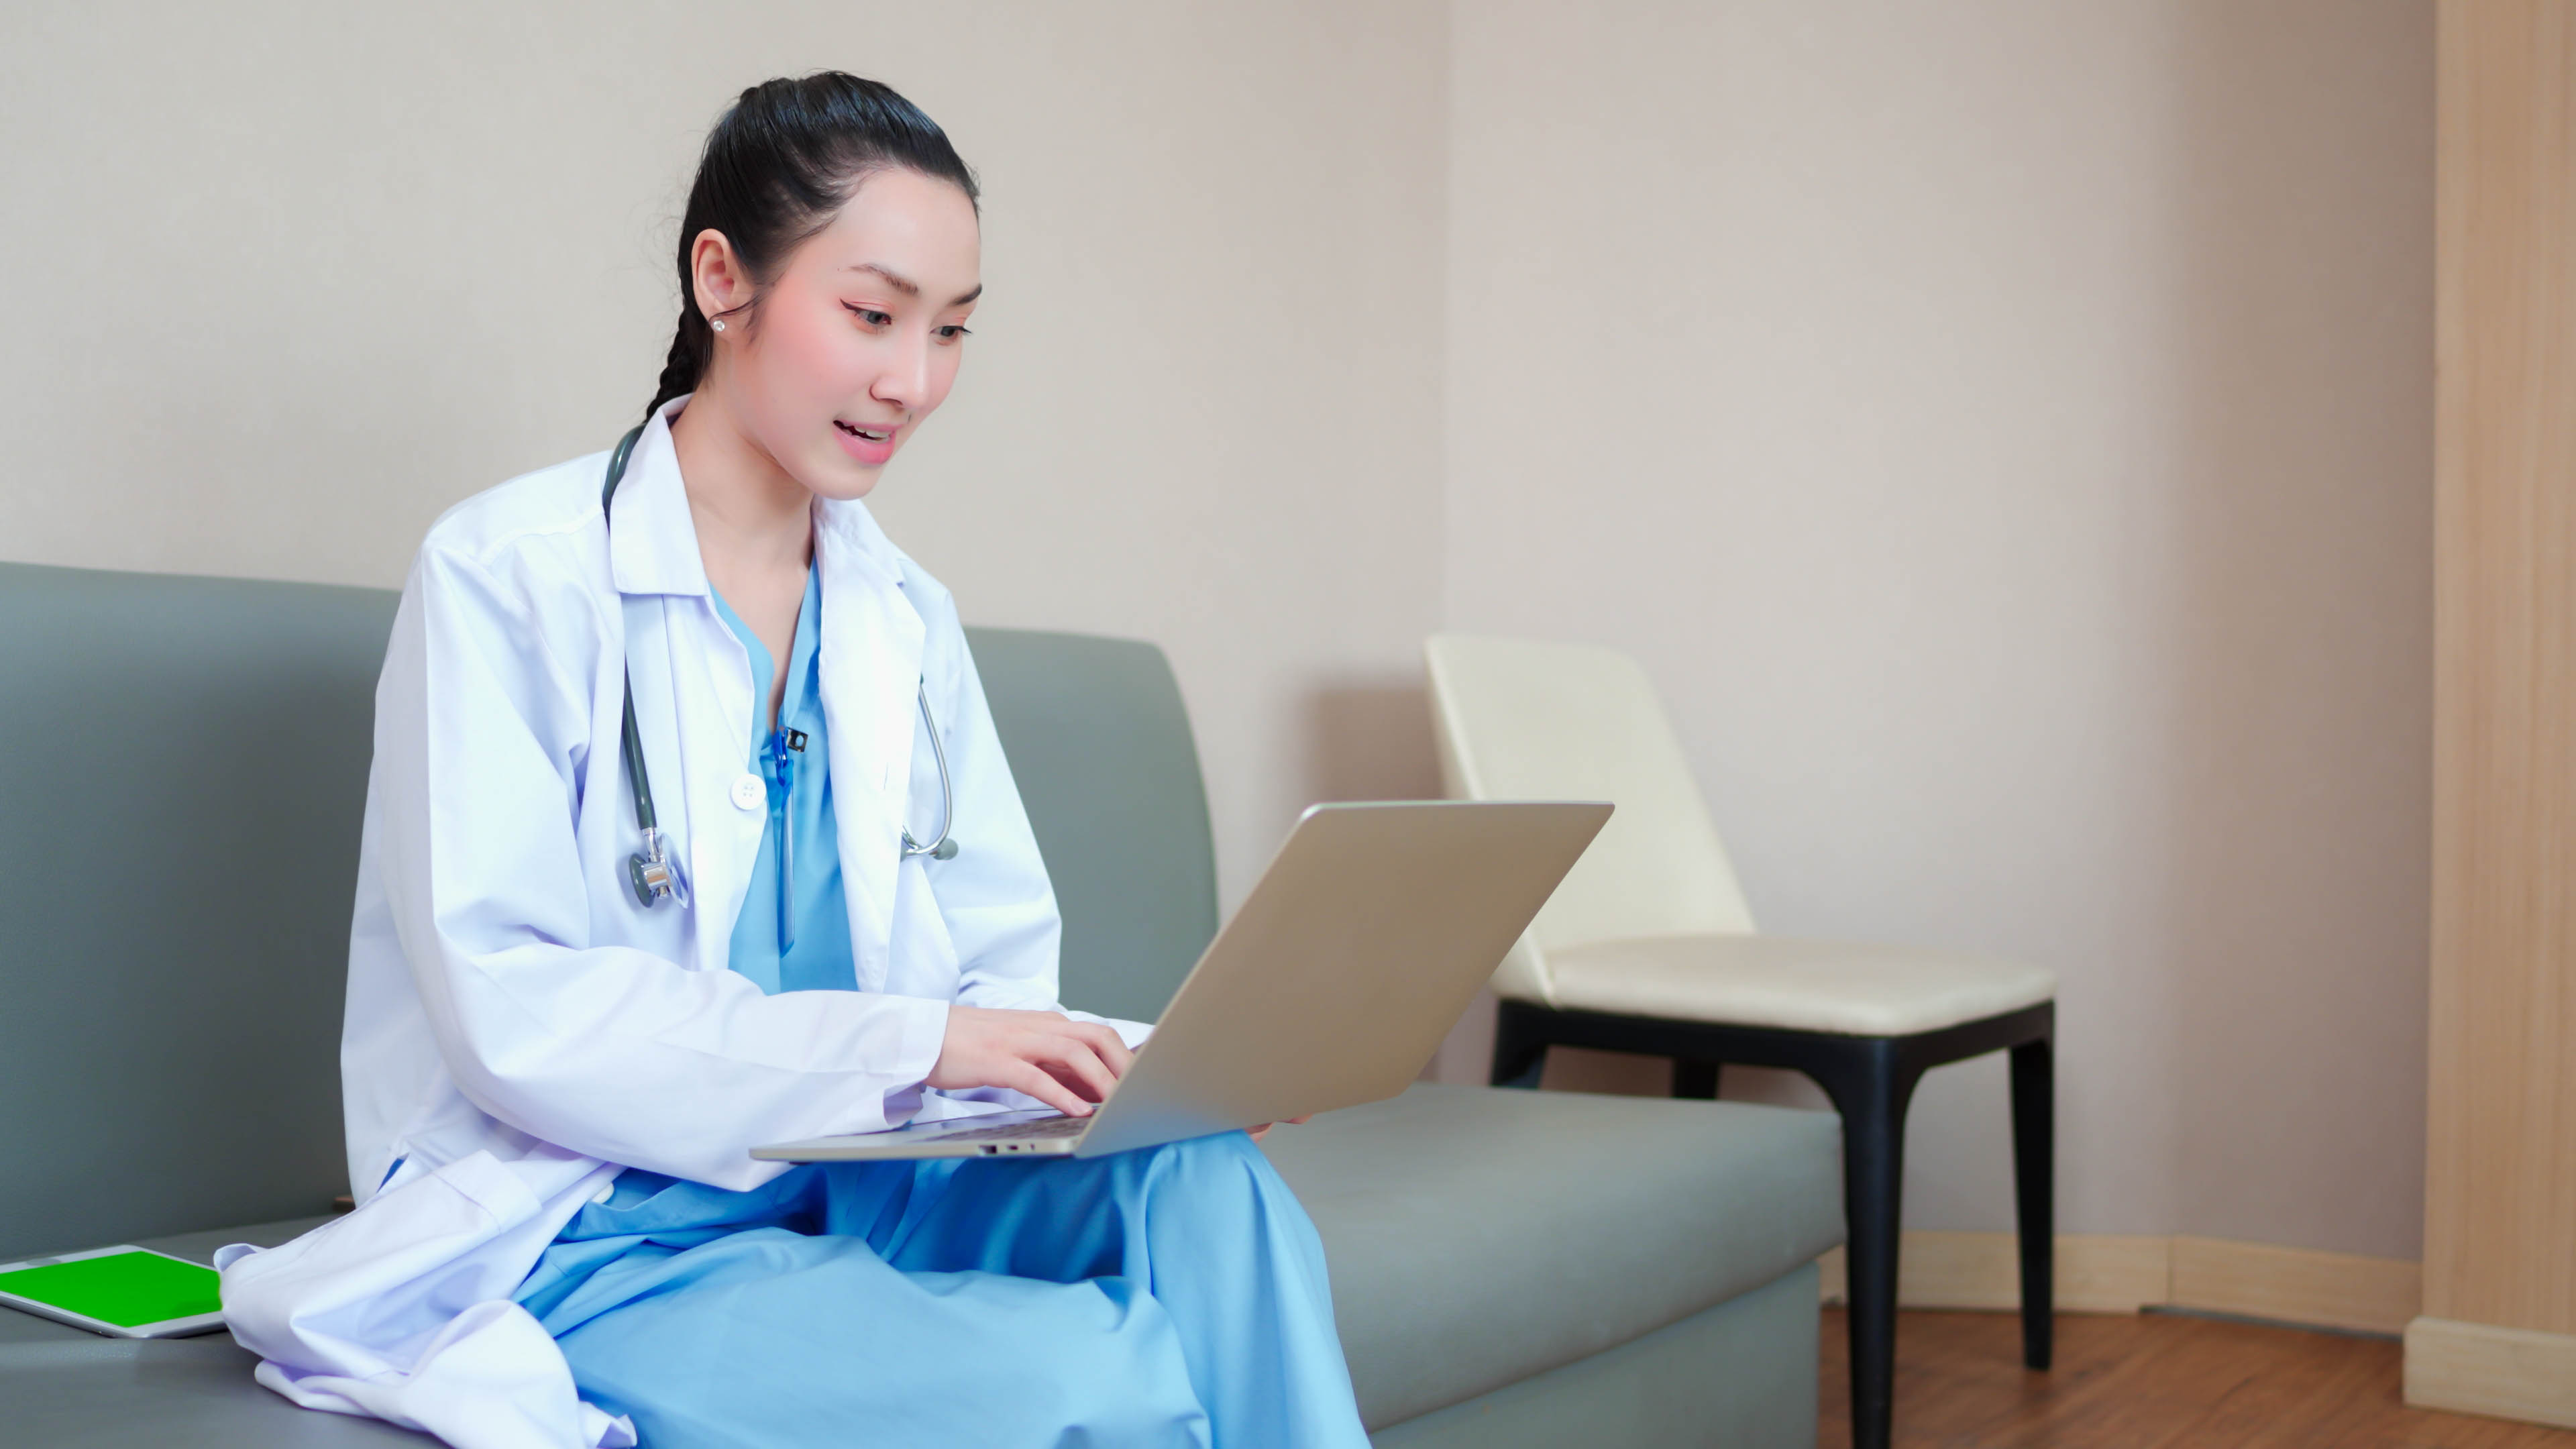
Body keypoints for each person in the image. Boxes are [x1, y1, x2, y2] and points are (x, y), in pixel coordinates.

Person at [216, 73, 1366, 1449]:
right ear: (722, 279)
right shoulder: (510, 579)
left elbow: (999, 967)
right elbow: (516, 1017)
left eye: (951, 331)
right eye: (873, 316)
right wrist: (919, 1039)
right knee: (1087, 1392)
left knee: (1207, 1185)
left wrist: (1160, 1066)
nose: (915, 381)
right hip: (599, 1220)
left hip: (869, 1173)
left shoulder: (905, 619)